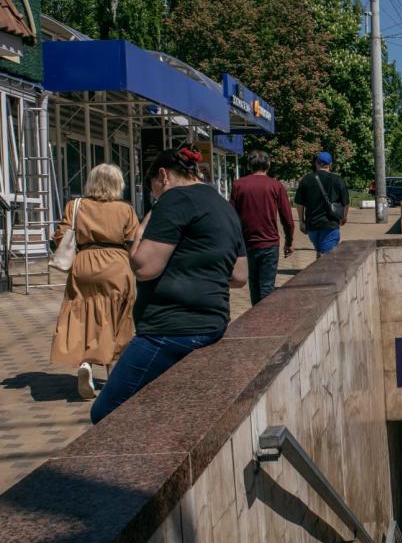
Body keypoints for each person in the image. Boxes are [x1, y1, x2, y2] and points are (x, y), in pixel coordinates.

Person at [90, 145, 247, 424]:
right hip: (212, 323)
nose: (154, 195)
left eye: (153, 189)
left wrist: (149, 217)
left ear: (163, 175)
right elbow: (238, 276)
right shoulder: (223, 205)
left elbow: (144, 267)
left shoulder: (175, 200)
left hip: (169, 329)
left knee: (104, 413)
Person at [49, 163, 139, 399]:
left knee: (82, 313)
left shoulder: (75, 206)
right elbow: (133, 240)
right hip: (116, 264)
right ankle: (114, 372)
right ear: (117, 184)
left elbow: (60, 236)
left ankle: (86, 362)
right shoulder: (125, 209)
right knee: (117, 316)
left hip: (84, 262)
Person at [230, 150, 295, 305]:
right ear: (269, 164)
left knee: (254, 284)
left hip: (246, 243)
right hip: (269, 243)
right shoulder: (276, 185)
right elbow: (287, 218)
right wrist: (289, 241)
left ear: (249, 165)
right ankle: (265, 323)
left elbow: (231, 216)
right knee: (267, 287)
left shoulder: (238, 185)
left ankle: (255, 319)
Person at [293, 151, 347, 256]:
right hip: (330, 224)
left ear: (316, 163)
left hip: (312, 225)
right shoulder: (338, 180)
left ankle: (319, 269)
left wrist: (301, 222)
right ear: (330, 164)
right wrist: (343, 217)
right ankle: (322, 272)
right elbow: (346, 202)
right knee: (325, 256)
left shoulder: (306, 179)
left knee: (320, 251)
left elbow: (299, 204)